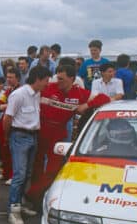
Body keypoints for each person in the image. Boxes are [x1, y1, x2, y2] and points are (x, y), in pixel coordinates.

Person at [26, 59, 110, 207]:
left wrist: (87, 105)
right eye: (56, 78)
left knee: (54, 168)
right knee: (36, 166)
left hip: (59, 132)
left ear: (72, 79)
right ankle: (37, 199)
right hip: (40, 130)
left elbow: (105, 98)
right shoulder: (48, 87)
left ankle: (32, 194)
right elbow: (25, 93)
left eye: (61, 79)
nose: (57, 81)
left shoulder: (79, 92)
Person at [4, 65, 51, 224]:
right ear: (37, 79)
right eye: (45, 80)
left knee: (27, 174)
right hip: (19, 136)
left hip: (33, 137)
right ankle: (13, 210)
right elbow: (7, 118)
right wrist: (8, 137)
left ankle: (20, 204)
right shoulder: (19, 95)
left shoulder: (37, 94)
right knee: (19, 174)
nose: (47, 84)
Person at [0, 68, 21, 184]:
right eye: (8, 77)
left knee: (13, 151)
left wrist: (5, 106)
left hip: (15, 123)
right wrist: (6, 105)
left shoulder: (21, 91)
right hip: (5, 121)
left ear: (17, 78)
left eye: (11, 77)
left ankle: (12, 175)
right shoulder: (8, 90)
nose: (8, 79)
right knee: (4, 149)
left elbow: (16, 106)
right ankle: (5, 173)